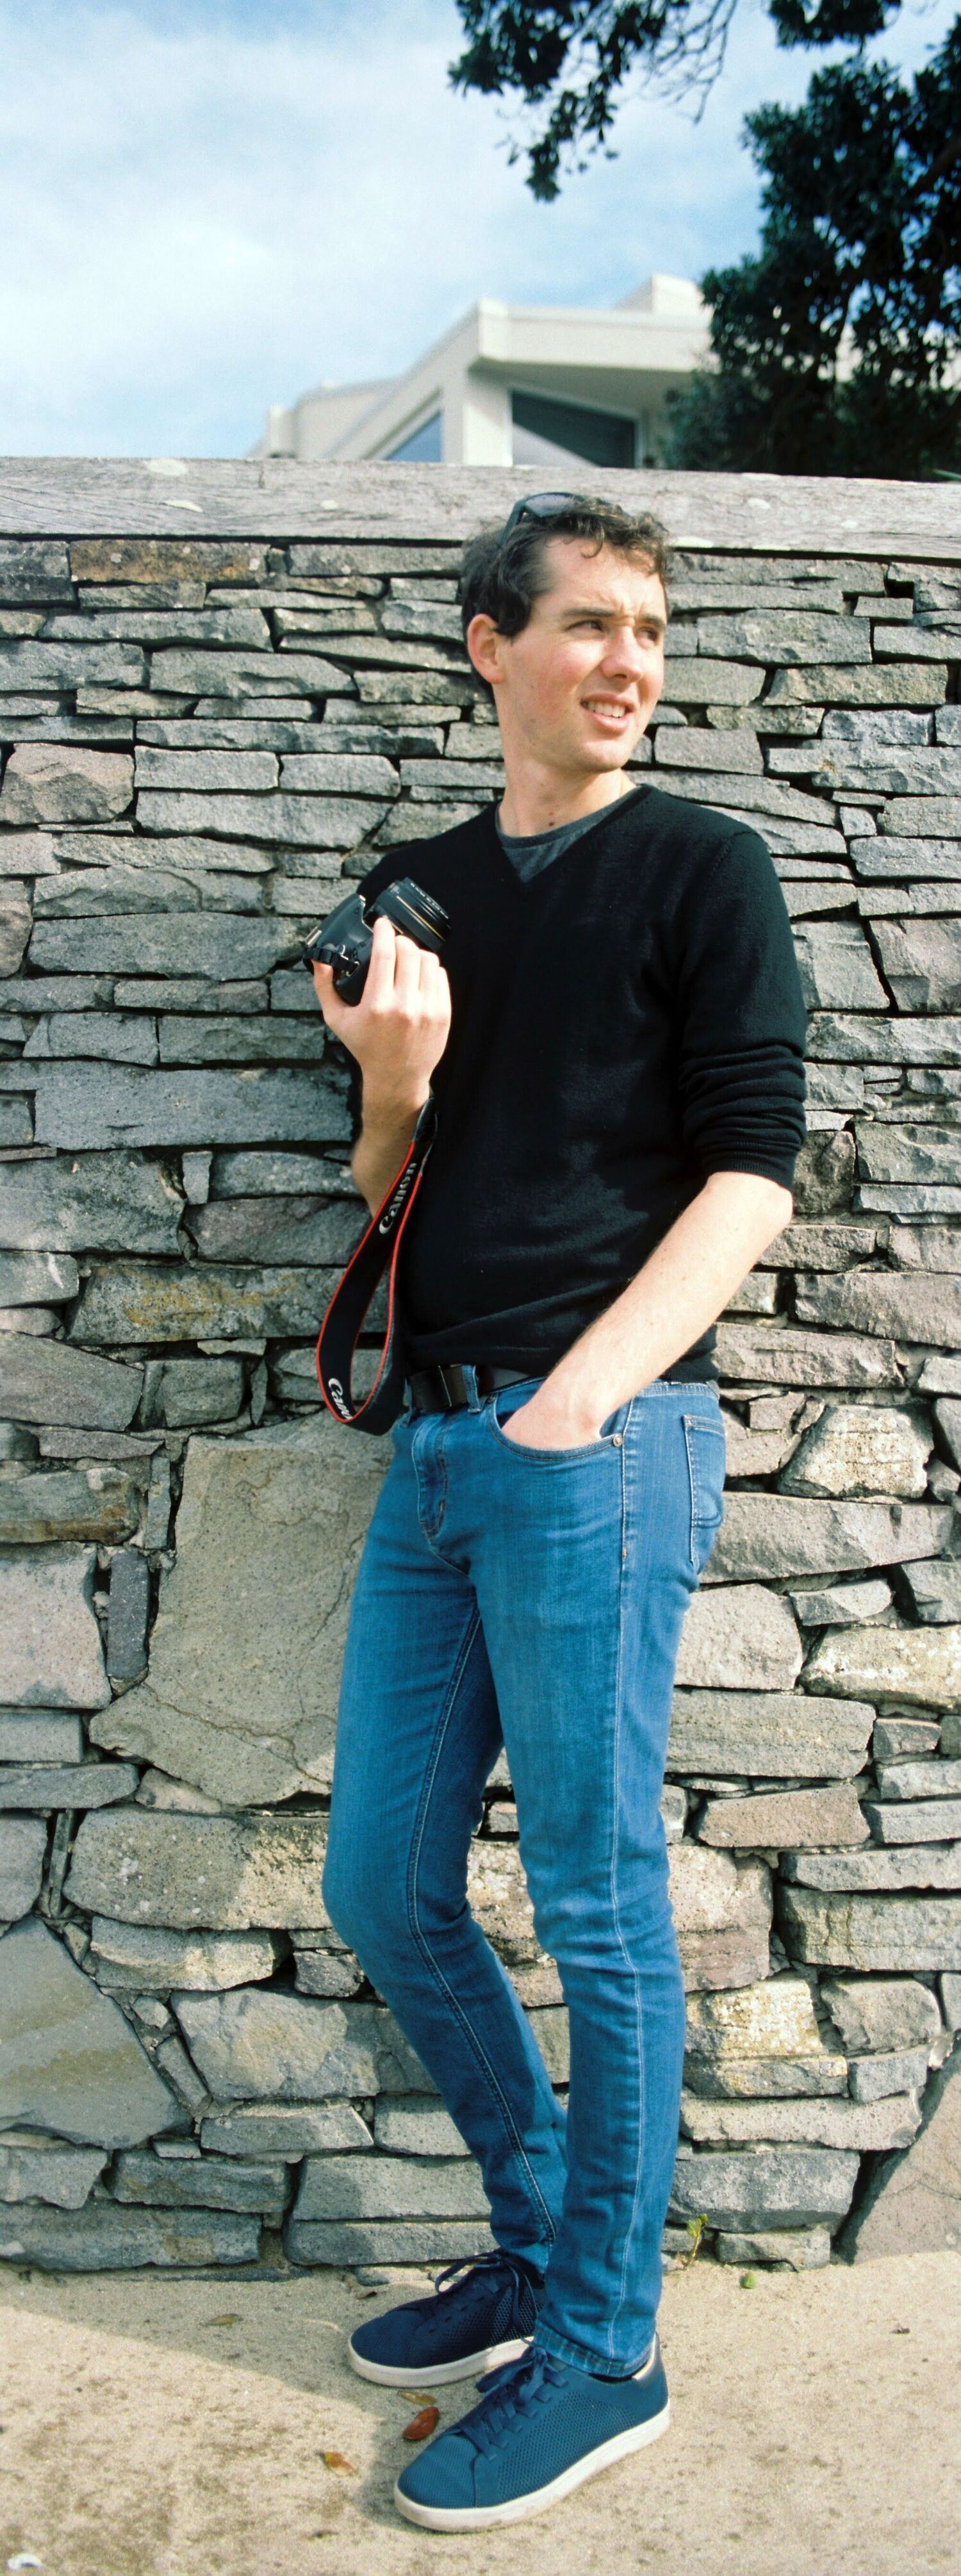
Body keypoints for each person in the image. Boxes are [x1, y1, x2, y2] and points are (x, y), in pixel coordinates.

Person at [313, 492, 806, 2532]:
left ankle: (604, 2344)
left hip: (587, 1446)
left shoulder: (704, 865)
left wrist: (588, 1398)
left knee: (597, 1902)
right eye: (589, 625)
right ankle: (536, 2248)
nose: (629, 662)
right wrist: (395, 1084)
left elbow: (751, 1175)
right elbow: (378, 1195)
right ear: (482, 643)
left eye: (652, 632)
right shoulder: (411, 893)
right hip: (427, 1443)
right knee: (378, 1882)